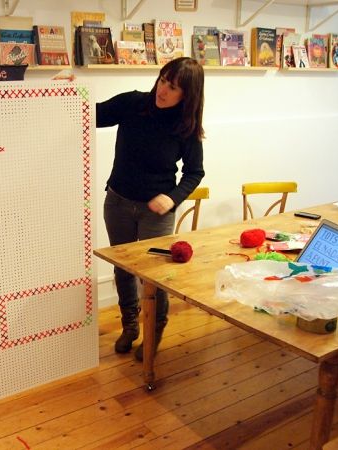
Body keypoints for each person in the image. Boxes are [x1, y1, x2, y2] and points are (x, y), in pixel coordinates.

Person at [96, 57, 205, 361]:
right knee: (122, 268)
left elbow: (194, 172)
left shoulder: (186, 127)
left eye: (173, 87)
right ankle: (130, 325)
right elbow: (89, 115)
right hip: (117, 201)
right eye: (162, 80)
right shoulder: (133, 103)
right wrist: (67, 93)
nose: (163, 90)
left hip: (155, 213)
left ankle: (154, 332)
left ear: (188, 95)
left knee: (153, 277)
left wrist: (173, 197)